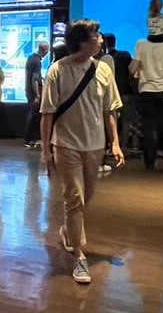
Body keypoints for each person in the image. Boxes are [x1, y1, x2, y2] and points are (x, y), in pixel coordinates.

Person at [40, 21, 122, 285]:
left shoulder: (104, 70)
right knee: (74, 198)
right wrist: (45, 150)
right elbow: (47, 113)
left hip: (95, 145)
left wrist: (116, 142)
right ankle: (79, 255)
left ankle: (67, 231)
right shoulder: (58, 70)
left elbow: (110, 110)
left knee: (86, 195)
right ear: (82, 42)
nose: (99, 40)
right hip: (66, 144)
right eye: (95, 37)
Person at [131, 28, 163, 170]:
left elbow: (132, 69)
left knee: (148, 128)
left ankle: (149, 162)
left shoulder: (142, 45)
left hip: (147, 91)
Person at [24, 40, 50, 149]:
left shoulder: (30, 58)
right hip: (33, 92)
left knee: (31, 113)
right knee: (33, 115)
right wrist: (37, 95)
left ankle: (29, 138)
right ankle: (30, 139)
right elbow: (34, 79)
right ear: (44, 51)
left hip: (28, 91)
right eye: (47, 51)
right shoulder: (37, 61)